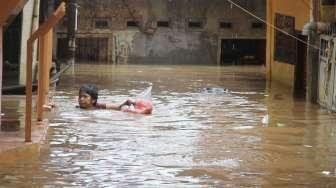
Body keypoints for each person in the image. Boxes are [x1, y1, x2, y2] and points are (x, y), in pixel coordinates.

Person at [78, 84, 153, 114]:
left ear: (93, 100)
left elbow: (118, 107)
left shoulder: (98, 106)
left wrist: (126, 103)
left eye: (85, 97)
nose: (81, 99)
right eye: (80, 96)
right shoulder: (78, 109)